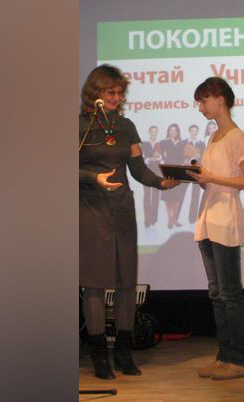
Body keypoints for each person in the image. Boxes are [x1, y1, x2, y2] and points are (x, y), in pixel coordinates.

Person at [79, 64, 179, 380]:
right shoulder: (79, 126)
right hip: (91, 209)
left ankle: (124, 352)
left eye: (120, 93)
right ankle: (99, 356)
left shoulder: (126, 126)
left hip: (122, 209)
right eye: (110, 92)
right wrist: (95, 178)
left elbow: (137, 168)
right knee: (95, 282)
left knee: (125, 282)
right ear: (95, 92)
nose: (116, 97)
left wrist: (160, 182)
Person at [187, 77, 244, 380]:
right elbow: (213, 180)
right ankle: (224, 356)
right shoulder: (214, 137)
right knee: (216, 293)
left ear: (220, 99)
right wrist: (200, 177)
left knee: (230, 293)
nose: (200, 107)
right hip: (208, 218)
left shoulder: (236, 136)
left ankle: (239, 359)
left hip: (226, 219)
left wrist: (212, 177)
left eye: (203, 100)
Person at [156, 123, 190, 228]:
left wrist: (188, 160)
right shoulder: (163, 142)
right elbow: (156, 154)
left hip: (179, 170)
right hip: (167, 171)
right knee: (168, 196)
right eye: (171, 130)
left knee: (177, 196)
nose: (173, 132)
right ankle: (170, 219)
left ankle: (173, 217)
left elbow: (194, 154)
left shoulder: (183, 143)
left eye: (175, 130)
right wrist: (161, 155)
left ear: (178, 132)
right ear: (168, 132)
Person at [140, 125, 161, 227]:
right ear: (149, 132)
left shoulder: (159, 144)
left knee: (156, 195)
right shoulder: (144, 144)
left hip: (157, 171)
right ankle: (147, 219)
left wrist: (159, 157)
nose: (154, 133)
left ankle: (153, 218)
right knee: (147, 195)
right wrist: (149, 159)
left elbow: (163, 156)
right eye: (152, 131)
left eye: (155, 132)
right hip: (146, 171)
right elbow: (141, 157)